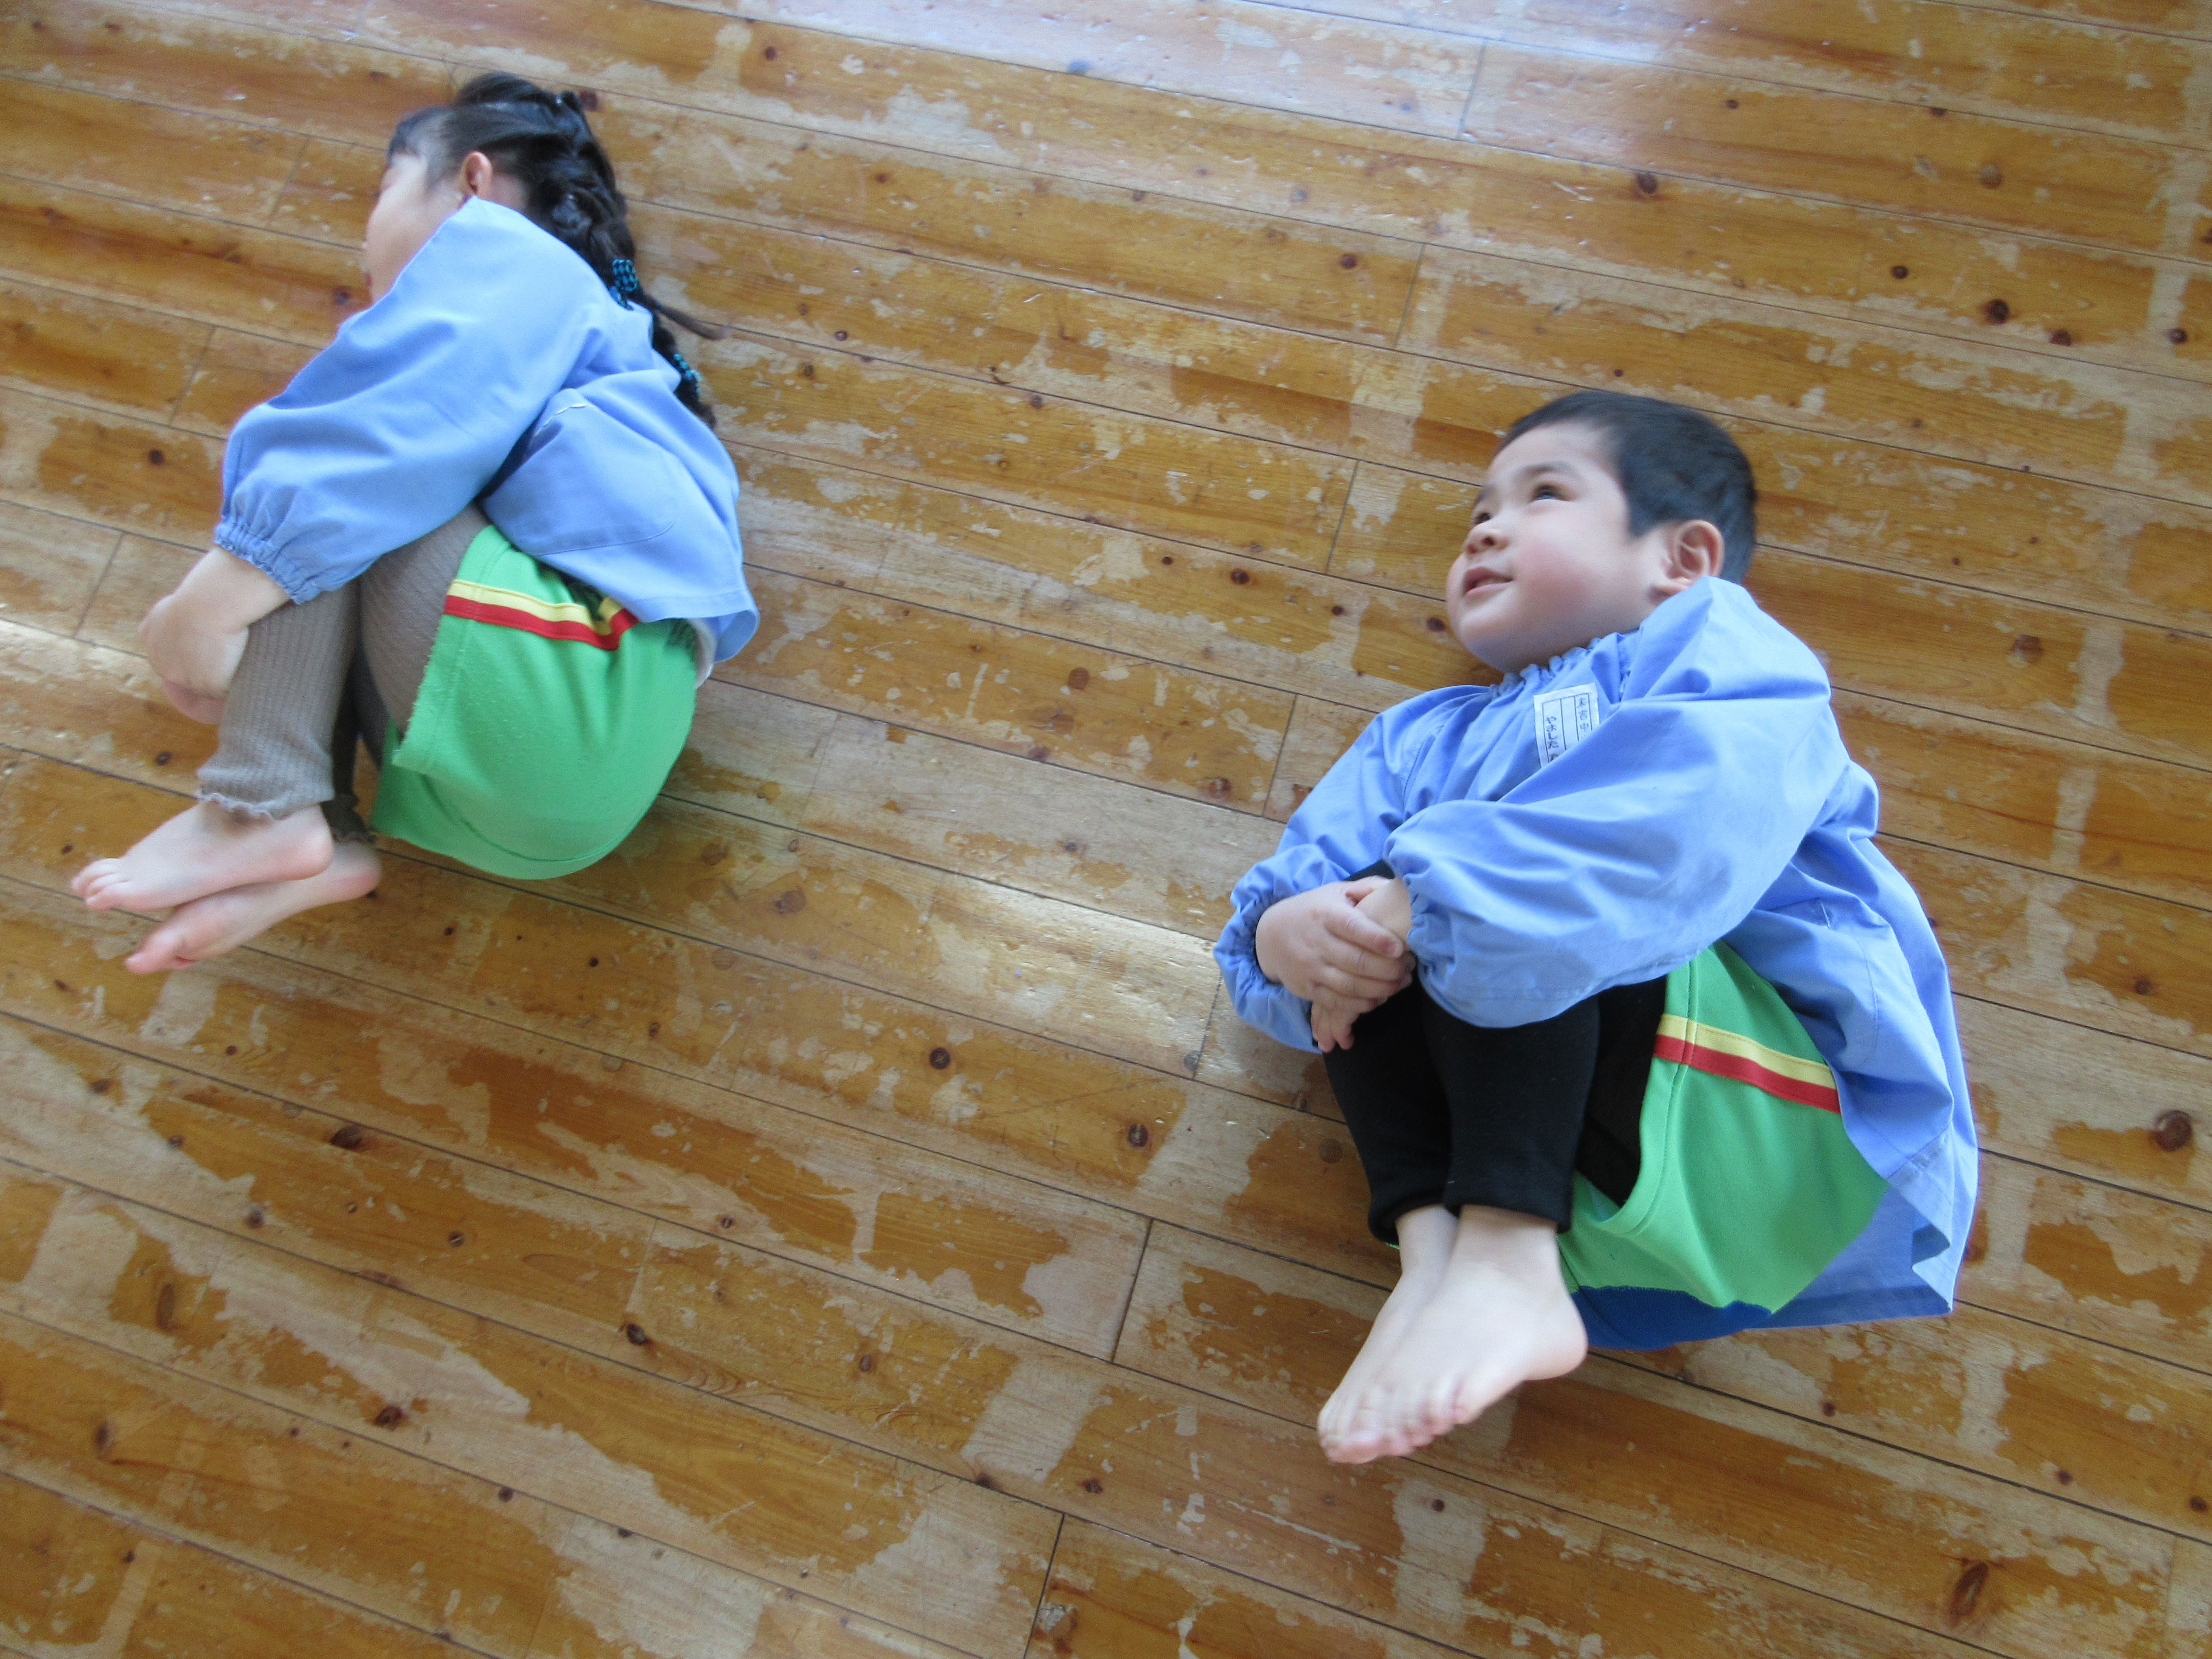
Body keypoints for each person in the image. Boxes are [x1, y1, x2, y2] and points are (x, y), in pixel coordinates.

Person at [1214, 390, 1976, 1466]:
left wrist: (1427, 895)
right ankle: (1436, 1256)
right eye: (1479, 511)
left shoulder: (1721, 645)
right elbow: (1297, 895)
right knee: (1367, 909)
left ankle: (1505, 1256)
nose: (1486, 530)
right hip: (1577, 1173)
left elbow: (1680, 829)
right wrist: (1286, 941)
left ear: (1683, 558)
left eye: (1543, 495)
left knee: (1466, 872)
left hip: (1759, 1121)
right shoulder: (1417, 737)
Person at [70, 74, 757, 973]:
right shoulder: (588, 344)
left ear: (473, 183)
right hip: (553, 785)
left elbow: (371, 452)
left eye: (383, 188)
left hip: (573, 684)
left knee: (339, 477)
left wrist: (209, 607)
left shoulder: (520, 259)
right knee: (336, 511)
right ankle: (315, 824)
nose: (363, 239)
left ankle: (258, 803)